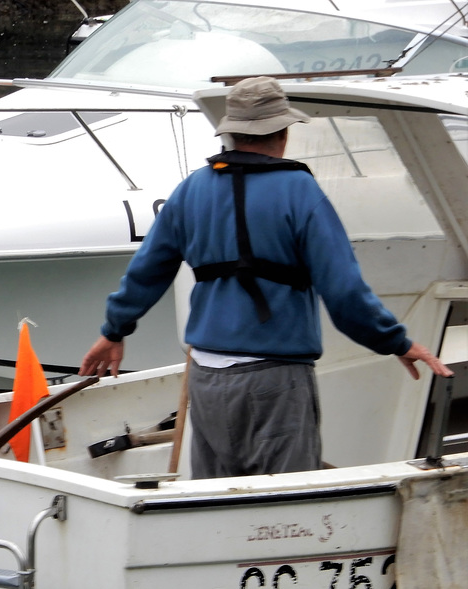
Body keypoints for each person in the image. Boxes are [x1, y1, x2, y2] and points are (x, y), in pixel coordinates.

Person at [79, 76, 452, 479]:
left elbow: (145, 272)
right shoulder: (300, 191)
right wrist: (396, 342)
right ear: (284, 132)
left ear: (232, 133)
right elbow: (345, 294)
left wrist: (114, 331)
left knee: (217, 504)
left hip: (206, 378)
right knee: (286, 506)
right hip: (275, 380)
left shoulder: (191, 190)